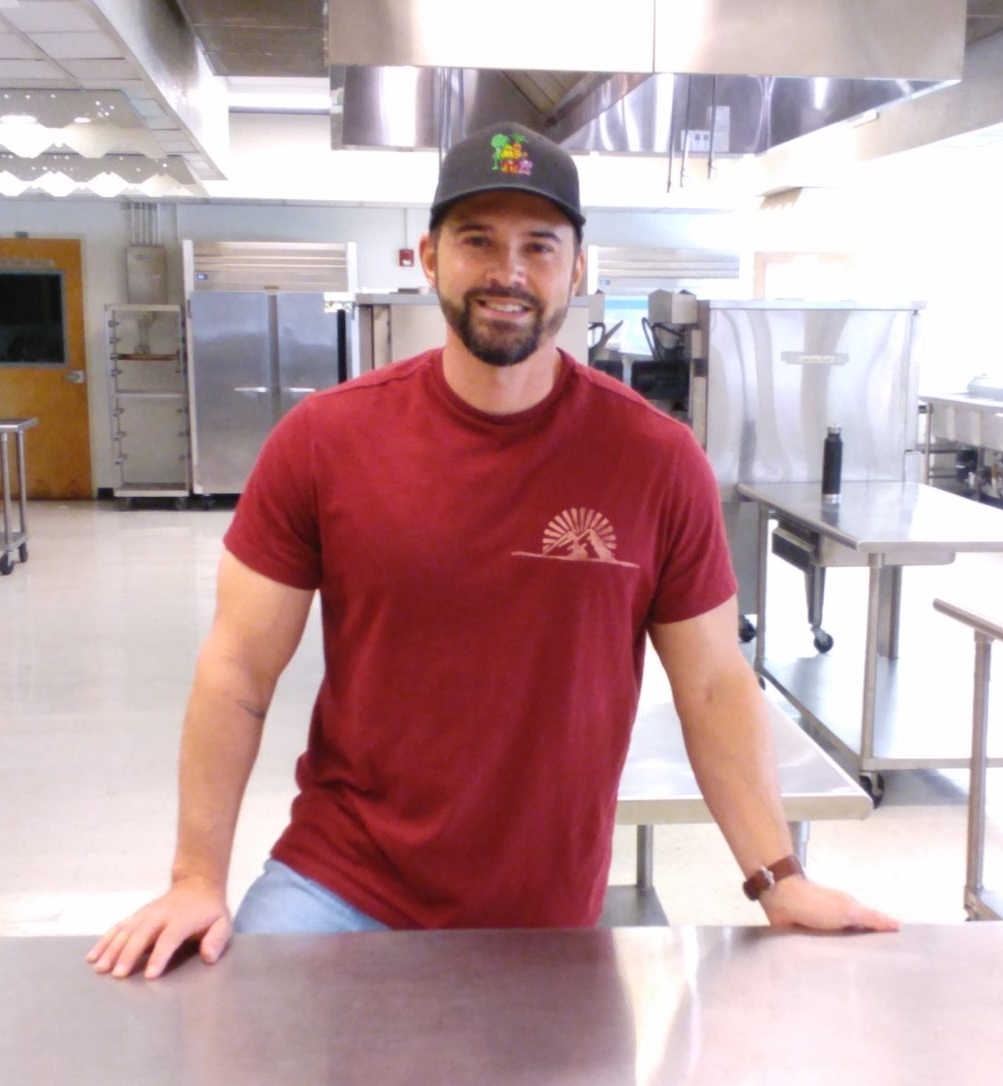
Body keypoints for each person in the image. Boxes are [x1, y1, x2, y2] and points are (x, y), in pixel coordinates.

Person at [89, 122, 897, 981]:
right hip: (336, 886)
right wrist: (194, 879)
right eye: (478, 240)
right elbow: (237, 669)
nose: (508, 271)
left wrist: (779, 880)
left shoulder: (656, 462)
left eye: (538, 246)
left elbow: (711, 684)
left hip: (542, 917)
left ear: (578, 268)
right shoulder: (324, 442)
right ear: (429, 256)